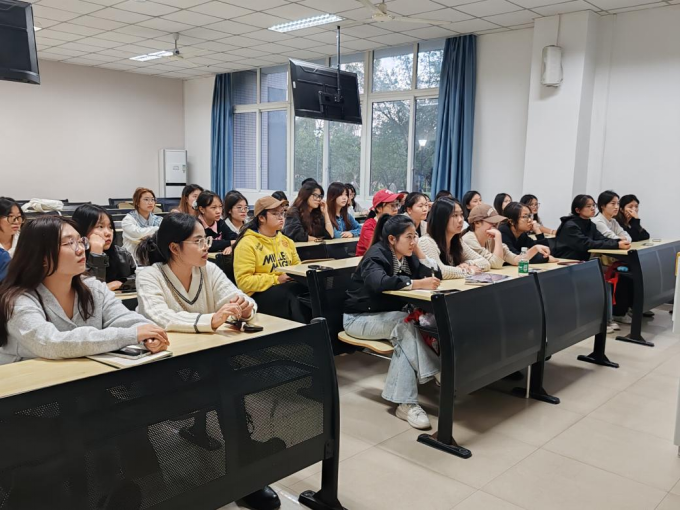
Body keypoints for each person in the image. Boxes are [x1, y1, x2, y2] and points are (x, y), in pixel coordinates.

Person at [0, 216, 169, 366]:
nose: (81, 249)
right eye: (69, 243)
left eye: (80, 241)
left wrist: (149, 337)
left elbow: (126, 319)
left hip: (82, 380)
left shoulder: (93, 288)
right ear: (42, 256)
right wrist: (132, 335)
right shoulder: (18, 300)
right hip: (31, 388)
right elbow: (51, 343)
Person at [344, 215, 442, 429]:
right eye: (409, 237)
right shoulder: (376, 254)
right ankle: (437, 372)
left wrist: (419, 253)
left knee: (404, 335)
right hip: (359, 319)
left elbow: (435, 275)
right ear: (391, 239)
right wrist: (416, 283)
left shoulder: (407, 255)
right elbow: (379, 282)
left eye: (415, 236)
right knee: (404, 324)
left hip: (389, 318)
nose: (413, 241)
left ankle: (406, 404)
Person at [136, 214, 256, 333]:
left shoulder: (209, 269)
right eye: (198, 241)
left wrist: (244, 310)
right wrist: (211, 320)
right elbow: (158, 316)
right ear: (174, 248)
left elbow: (241, 299)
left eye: (206, 239)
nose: (206, 247)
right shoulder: (149, 276)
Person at [554, 195, 632, 325]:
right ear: (578, 210)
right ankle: (601, 320)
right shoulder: (570, 225)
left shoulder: (590, 224)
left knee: (621, 276)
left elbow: (601, 239)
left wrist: (618, 242)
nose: (592, 209)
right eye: (588, 206)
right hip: (566, 264)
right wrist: (616, 244)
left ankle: (605, 318)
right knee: (602, 279)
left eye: (593, 206)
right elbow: (586, 243)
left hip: (582, 263)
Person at [234, 197, 310, 324]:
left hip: (286, 287)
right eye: (275, 214)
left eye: (282, 213)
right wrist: (277, 279)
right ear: (261, 218)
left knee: (309, 291)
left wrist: (297, 276)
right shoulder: (247, 244)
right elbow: (244, 282)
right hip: (258, 295)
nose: (281, 217)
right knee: (293, 294)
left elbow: (297, 267)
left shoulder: (287, 241)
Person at [419, 198, 490, 278]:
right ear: (441, 219)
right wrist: (468, 271)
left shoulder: (456, 241)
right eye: (455, 215)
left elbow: (485, 262)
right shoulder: (426, 242)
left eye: (461, 215)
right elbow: (439, 270)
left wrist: (467, 264)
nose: (460, 220)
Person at [72, 205, 136, 292]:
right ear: (82, 229)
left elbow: (139, 277)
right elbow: (92, 292)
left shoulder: (122, 253)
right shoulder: (73, 256)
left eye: (110, 227)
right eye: (100, 227)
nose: (108, 233)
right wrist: (96, 255)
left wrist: (119, 283)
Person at [463, 203, 523, 268]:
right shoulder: (468, 239)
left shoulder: (489, 239)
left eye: (496, 223)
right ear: (477, 223)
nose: (496, 226)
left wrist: (530, 251)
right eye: (492, 223)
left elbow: (514, 259)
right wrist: (498, 236)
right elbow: (497, 264)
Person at [356, 190, 404, 257]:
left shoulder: (396, 223)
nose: (396, 209)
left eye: (397, 205)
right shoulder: (369, 225)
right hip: (369, 260)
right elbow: (376, 249)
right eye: (392, 205)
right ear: (379, 208)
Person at [121, 188, 162, 264]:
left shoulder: (158, 220)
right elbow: (138, 233)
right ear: (137, 202)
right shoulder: (128, 220)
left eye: (152, 200)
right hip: (131, 260)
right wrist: (156, 230)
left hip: (153, 260)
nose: (150, 203)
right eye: (146, 199)